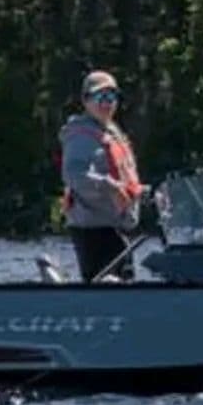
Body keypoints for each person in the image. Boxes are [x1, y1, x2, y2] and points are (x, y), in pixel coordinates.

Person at [59, 70, 146, 281]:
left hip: (116, 228)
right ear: (86, 101)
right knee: (105, 291)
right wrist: (111, 187)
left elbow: (126, 179)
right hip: (94, 231)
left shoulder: (111, 132)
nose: (106, 103)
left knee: (124, 287)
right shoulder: (81, 135)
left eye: (111, 96)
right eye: (100, 97)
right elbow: (74, 175)